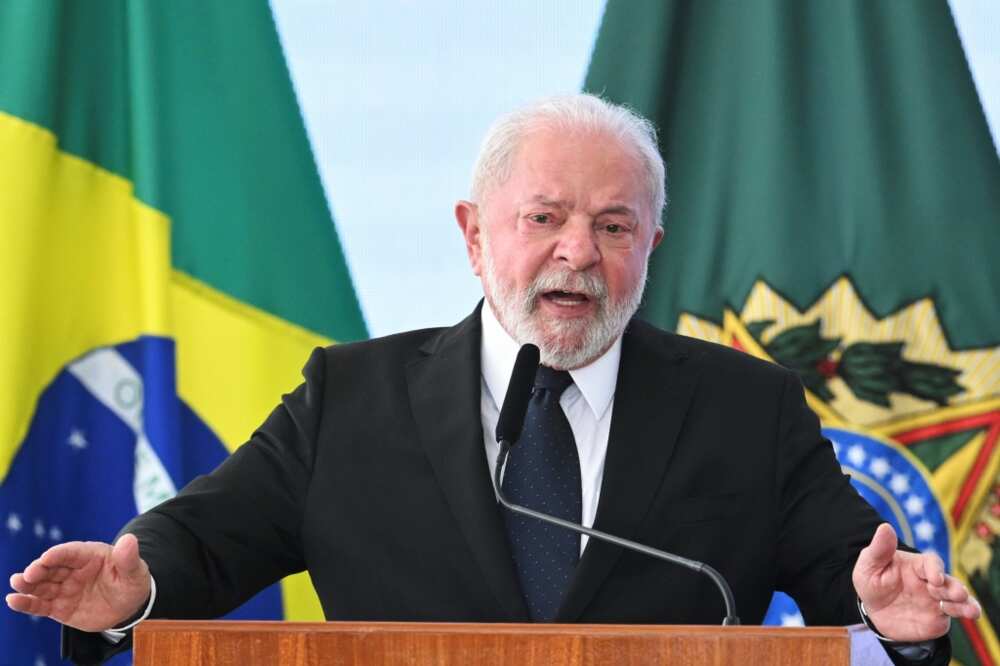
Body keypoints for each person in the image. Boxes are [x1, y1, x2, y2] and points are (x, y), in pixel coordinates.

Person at [7, 94, 980, 665]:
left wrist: (897, 625)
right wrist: (126, 597)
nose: (578, 253)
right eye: (543, 218)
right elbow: (202, 544)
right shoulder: (352, 398)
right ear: (474, 235)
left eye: (613, 227)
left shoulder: (744, 410)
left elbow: (856, 580)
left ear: (652, 247)